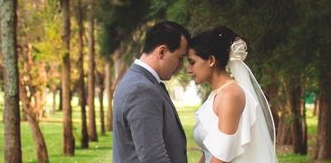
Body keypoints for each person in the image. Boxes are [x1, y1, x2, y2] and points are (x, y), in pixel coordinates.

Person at [188, 26, 278, 163]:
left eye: (192, 62)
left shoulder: (231, 95)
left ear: (211, 60)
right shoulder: (217, 94)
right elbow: (208, 154)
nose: (189, 70)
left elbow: (221, 156)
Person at [113, 20, 191, 163]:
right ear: (161, 51)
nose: (181, 65)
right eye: (179, 58)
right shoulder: (141, 89)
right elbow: (154, 159)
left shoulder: (138, 81)